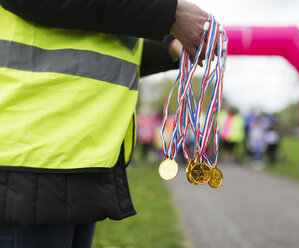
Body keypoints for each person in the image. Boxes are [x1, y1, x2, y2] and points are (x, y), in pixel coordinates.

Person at [0, 0, 209, 247]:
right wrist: (170, 13)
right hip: (25, 158)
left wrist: (168, 49)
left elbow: (103, 46)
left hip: (73, 158)